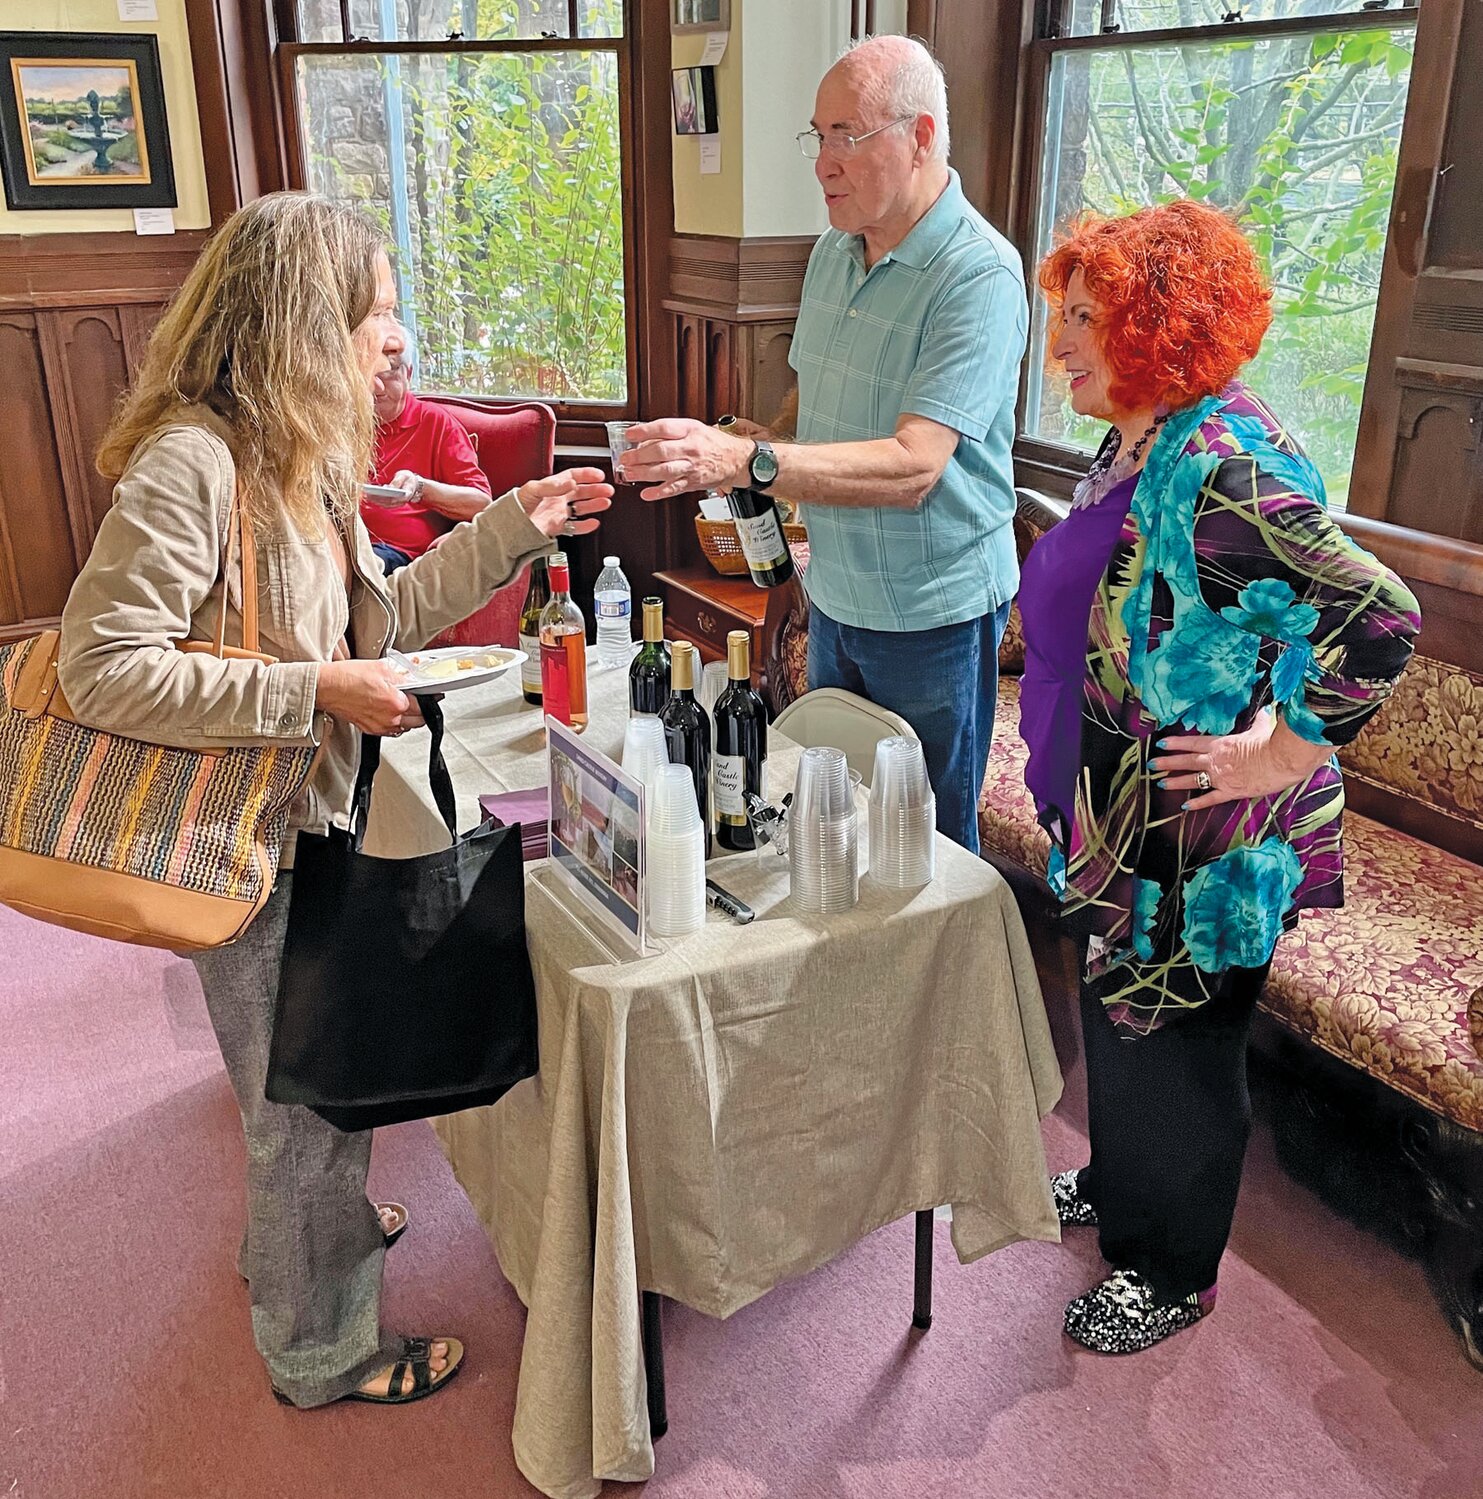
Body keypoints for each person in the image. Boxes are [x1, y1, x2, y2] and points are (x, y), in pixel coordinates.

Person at [58, 192, 611, 1406]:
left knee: (306, 1075)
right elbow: (102, 662)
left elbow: (391, 620)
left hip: (298, 821)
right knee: (298, 1104)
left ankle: (301, 1242)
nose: (396, 337)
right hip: (227, 842)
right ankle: (323, 1348)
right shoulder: (196, 462)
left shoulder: (296, 457)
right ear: (304, 323)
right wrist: (314, 690)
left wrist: (519, 524)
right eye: (378, 311)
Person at [1021, 199, 1420, 1354]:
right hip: (1118, 804)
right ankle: (1118, 1179)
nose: (1062, 348)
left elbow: (1381, 617)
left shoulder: (1227, 466)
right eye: (1065, 319)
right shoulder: (1138, 431)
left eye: (1086, 321)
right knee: (1120, 1009)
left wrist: (1278, 749)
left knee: (1185, 1046)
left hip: (1202, 834)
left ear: (1155, 324)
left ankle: (1172, 1267)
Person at [622, 34, 1027, 852]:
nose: (822, 163)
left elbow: (915, 465)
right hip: (835, 600)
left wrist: (748, 462)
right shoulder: (832, 257)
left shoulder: (978, 274)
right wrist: (751, 437)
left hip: (932, 615)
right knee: (833, 830)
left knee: (926, 852)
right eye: (818, 135)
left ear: (918, 138)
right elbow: (812, 407)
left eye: (847, 135)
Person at [364, 335, 494, 572]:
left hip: (398, 556)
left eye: (389, 371)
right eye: (369, 372)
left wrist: (420, 489)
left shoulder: (436, 423)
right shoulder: (341, 425)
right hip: (342, 546)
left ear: (409, 374)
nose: (378, 385)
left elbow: (481, 503)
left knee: (364, 567)